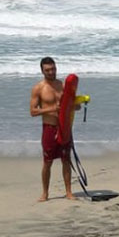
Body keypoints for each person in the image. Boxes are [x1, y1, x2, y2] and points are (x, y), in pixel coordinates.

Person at [29, 56, 76, 202]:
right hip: (49, 128)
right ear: (42, 71)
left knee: (66, 160)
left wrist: (78, 105)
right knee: (47, 162)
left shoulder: (62, 86)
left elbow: (72, 105)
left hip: (64, 127)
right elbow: (33, 111)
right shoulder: (39, 88)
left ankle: (69, 192)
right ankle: (45, 193)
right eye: (48, 70)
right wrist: (51, 108)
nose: (51, 72)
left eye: (53, 69)